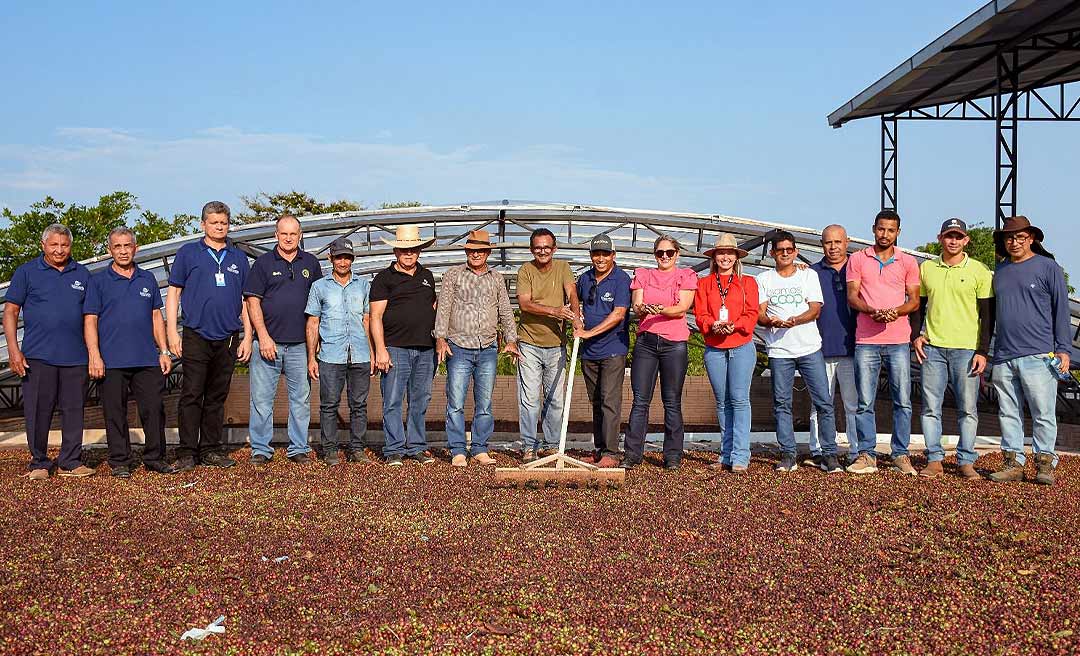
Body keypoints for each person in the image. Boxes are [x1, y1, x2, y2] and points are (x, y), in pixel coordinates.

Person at [166, 201, 252, 472]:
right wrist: (171, 331)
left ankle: (211, 449)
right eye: (214, 222)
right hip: (196, 334)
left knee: (217, 395)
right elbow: (173, 293)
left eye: (224, 223)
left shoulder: (238, 258)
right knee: (192, 393)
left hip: (227, 335)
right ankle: (188, 451)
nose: (219, 227)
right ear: (203, 224)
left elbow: (247, 300)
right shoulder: (188, 253)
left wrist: (247, 335)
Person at [3, 224, 95, 479]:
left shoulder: (82, 274)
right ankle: (39, 462)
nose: (59, 250)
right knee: (38, 410)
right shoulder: (27, 272)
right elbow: (10, 312)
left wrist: (93, 353)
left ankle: (70, 461)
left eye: (64, 245)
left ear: (70, 246)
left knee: (74, 409)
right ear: (43, 245)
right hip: (37, 355)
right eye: (54, 245)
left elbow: (90, 316)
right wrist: (14, 350)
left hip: (75, 357)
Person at [83, 227, 176, 478]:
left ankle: (155, 457)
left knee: (154, 409)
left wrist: (164, 351)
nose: (123, 251)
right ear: (109, 250)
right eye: (117, 247)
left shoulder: (147, 280)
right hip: (111, 360)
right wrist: (94, 354)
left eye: (127, 246)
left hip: (146, 358)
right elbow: (90, 319)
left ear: (135, 248)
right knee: (114, 411)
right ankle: (120, 461)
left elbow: (157, 317)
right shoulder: (98, 282)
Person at [988, 216, 1070, 486]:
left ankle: (1045, 463)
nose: (1014, 242)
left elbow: (1061, 310)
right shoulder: (999, 271)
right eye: (1009, 238)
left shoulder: (1048, 268)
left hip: (1039, 353)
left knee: (1042, 411)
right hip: (1004, 354)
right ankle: (1013, 463)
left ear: (1031, 238)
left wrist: (1064, 349)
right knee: (1008, 411)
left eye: (1020, 237)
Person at [912, 219, 992, 480]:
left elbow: (988, 316)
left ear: (966, 240)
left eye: (958, 236)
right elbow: (918, 306)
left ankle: (966, 460)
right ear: (940, 238)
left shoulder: (979, 271)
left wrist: (982, 351)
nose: (953, 241)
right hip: (933, 348)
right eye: (949, 236)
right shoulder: (927, 269)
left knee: (968, 409)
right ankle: (934, 459)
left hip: (966, 350)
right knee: (930, 407)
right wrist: (916, 336)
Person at [756, 231, 843, 474]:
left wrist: (795, 320)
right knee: (782, 404)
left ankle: (830, 455)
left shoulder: (808, 275)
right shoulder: (764, 279)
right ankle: (788, 454)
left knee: (824, 402)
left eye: (789, 249)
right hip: (779, 351)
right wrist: (770, 321)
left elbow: (815, 309)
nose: (785, 253)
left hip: (809, 348)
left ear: (795, 251)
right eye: (780, 250)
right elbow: (760, 313)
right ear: (772, 253)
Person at [435, 230, 520, 467]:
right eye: (472, 250)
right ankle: (458, 450)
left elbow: (504, 309)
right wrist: (440, 338)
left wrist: (512, 339)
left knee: (484, 402)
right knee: (456, 401)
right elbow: (443, 308)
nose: (476, 254)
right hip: (459, 346)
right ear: (466, 252)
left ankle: (480, 447)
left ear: (488, 253)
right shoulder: (454, 275)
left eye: (480, 250)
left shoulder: (496, 278)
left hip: (488, 348)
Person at [845, 209, 920, 476]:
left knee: (903, 400)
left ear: (898, 232)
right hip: (865, 339)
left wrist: (896, 312)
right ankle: (867, 454)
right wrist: (871, 311)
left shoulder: (908, 262)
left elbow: (914, 300)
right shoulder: (857, 259)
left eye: (890, 230)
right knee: (865, 400)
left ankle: (900, 454)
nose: (885, 234)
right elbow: (852, 296)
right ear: (873, 229)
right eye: (881, 229)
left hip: (898, 339)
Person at [243, 215, 323, 467]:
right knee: (262, 399)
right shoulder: (263, 264)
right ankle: (260, 449)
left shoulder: (311, 263)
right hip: (269, 343)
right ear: (276, 235)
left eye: (293, 234)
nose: (289, 238)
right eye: (284, 234)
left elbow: (319, 304)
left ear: (300, 236)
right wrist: (263, 336)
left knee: (300, 399)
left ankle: (298, 448)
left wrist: (315, 340)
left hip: (301, 345)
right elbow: (252, 301)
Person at [622, 235, 697, 471]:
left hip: (674, 343)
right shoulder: (644, 275)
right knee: (640, 401)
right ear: (654, 255)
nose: (664, 257)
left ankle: (672, 455)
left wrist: (660, 309)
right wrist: (642, 308)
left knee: (672, 401)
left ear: (677, 254)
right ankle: (633, 454)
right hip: (646, 342)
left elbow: (682, 308)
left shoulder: (685, 276)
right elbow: (637, 305)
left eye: (669, 253)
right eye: (660, 253)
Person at [370, 226, 438, 467]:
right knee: (393, 400)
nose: (409, 254)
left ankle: (417, 447)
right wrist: (380, 349)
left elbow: (433, 308)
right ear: (396, 251)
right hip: (395, 348)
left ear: (419, 251)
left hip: (425, 349)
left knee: (420, 400)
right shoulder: (383, 279)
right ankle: (394, 449)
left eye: (414, 250)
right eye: (404, 250)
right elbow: (375, 316)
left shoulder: (427, 276)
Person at [305, 237, 374, 466]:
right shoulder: (319, 286)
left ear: (352, 259)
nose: (343, 262)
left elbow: (367, 321)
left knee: (359, 405)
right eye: (339, 257)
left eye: (347, 257)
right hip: (330, 356)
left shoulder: (363, 286)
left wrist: (372, 353)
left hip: (360, 354)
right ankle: (330, 450)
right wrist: (311, 357)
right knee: (329, 404)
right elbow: (313, 322)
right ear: (330, 258)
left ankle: (357, 448)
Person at [694, 234, 758, 474]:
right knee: (722, 403)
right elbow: (700, 314)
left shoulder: (748, 282)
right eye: (720, 253)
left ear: (736, 257)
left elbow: (752, 313)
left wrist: (735, 324)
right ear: (714, 257)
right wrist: (712, 324)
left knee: (739, 400)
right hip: (715, 348)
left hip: (741, 345)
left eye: (729, 253)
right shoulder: (704, 284)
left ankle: (741, 454)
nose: (725, 257)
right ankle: (726, 453)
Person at [515, 228, 581, 462]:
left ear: (554, 248)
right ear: (532, 249)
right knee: (530, 398)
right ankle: (529, 446)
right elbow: (525, 304)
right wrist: (554, 311)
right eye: (537, 247)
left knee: (555, 398)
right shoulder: (526, 270)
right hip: (530, 343)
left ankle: (552, 445)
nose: (542, 251)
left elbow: (572, 293)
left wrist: (575, 317)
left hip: (556, 344)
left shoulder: (563, 268)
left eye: (547, 247)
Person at [574, 234, 632, 468]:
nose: (600, 258)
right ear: (591, 256)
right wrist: (576, 318)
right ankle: (599, 450)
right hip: (589, 353)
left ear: (613, 256)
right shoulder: (585, 279)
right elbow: (574, 301)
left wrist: (588, 332)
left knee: (610, 400)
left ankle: (611, 452)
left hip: (613, 350)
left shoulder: (621, 279)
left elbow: (618, 314)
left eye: (605, 254)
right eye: (596, 254)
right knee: (596, 401)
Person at [807, 225, 859, 468]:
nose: (833, 247)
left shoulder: (857, 269)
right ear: (822, 244)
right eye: (828, 242)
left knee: (853, 404)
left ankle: (856, 450)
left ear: (846, 242)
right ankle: (818, 449)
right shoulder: (811, 273)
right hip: (820, 348)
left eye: (838, 242)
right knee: (820, 403)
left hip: (853, 349)